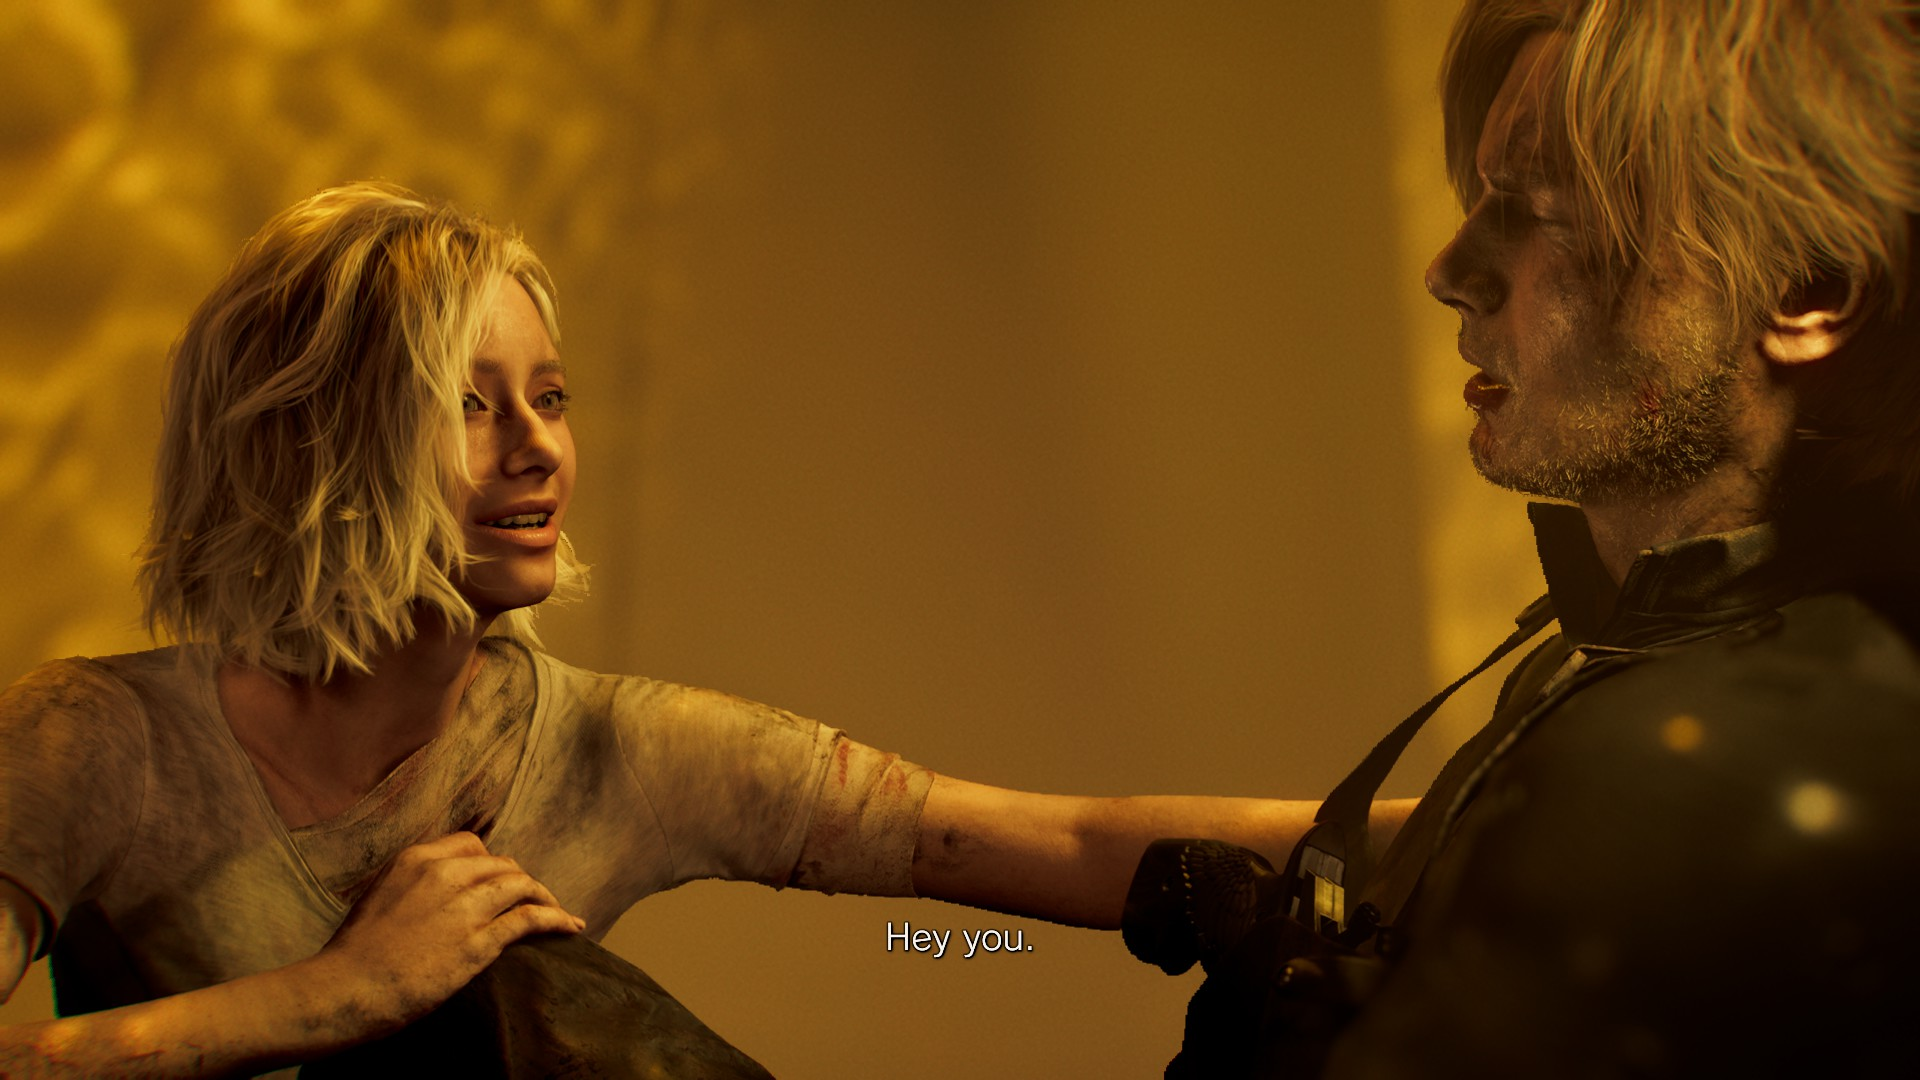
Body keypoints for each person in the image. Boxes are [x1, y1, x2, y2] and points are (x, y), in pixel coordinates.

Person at [0, 181, 1364, 1077]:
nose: (538, 447)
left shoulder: (611, 750)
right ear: (312, 439)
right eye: (468, 402)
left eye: (551, 397)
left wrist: (1456, 824)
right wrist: (337, 994)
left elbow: (1060, 842)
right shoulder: (93, 744)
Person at [1125, 1, 1920, 1075]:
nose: (1450, 269)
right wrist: (908, 830)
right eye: (1481, 198)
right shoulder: (1670, 657)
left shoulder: (1709, 765)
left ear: (1808, 288)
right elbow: (1457, 837)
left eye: (1541, 209)